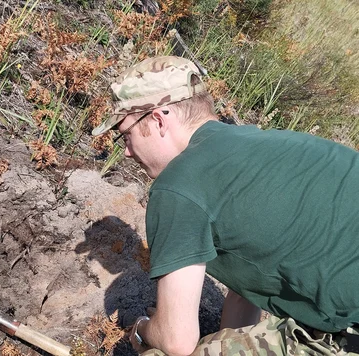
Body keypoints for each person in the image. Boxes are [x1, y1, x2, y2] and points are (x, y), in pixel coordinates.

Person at [91, 56, 359, 355]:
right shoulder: (258, 143)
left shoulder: (179, 183)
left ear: (158, 120)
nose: (126, 152)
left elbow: (176, 342)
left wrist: (142, 330)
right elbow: (247, 290)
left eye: (126, 135)